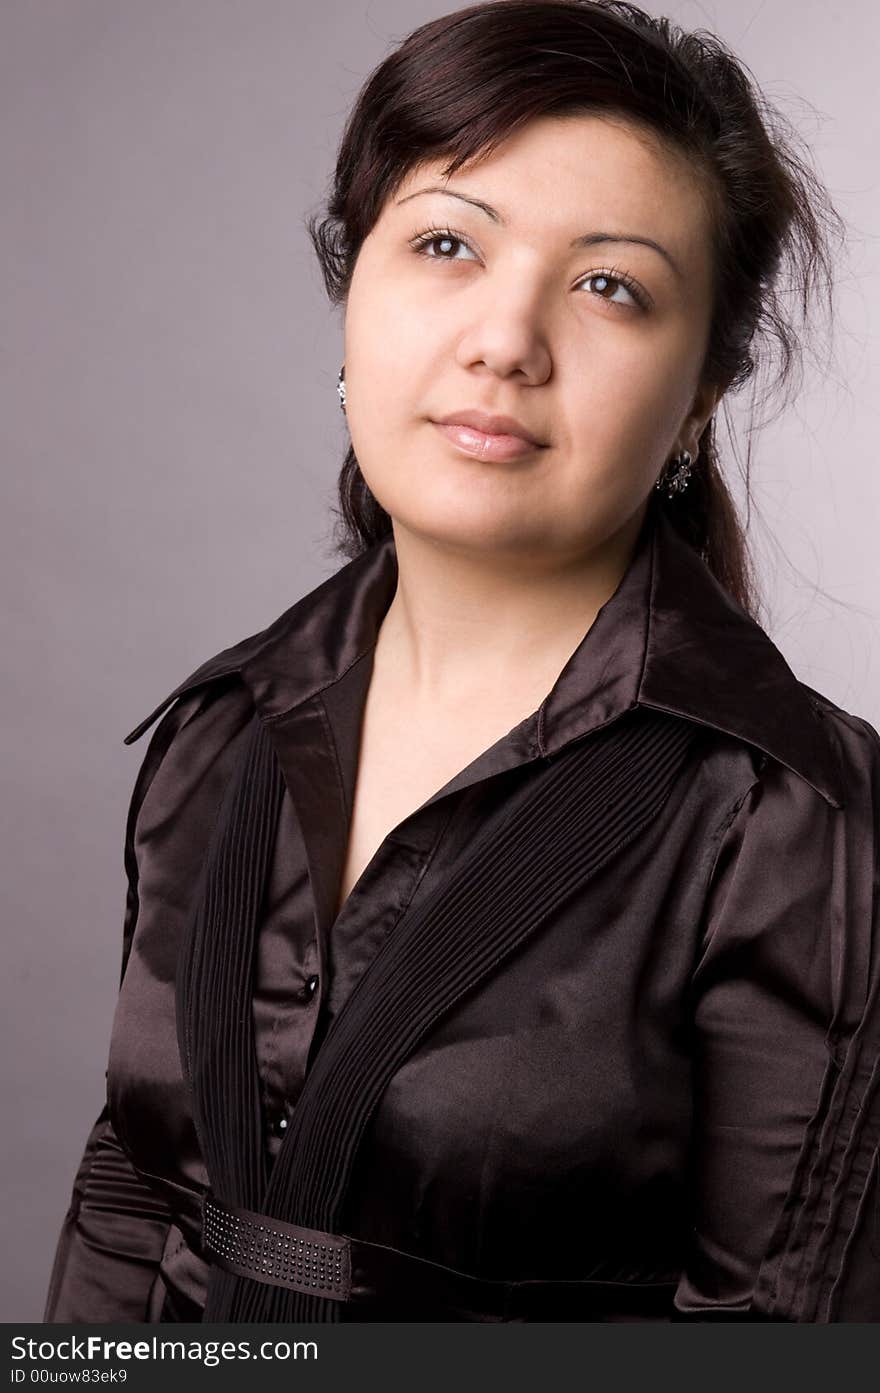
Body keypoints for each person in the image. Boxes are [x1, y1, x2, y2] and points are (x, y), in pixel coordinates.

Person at [44, 0, 880, 1323]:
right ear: (351, 294)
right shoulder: (221, 729)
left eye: (610, 285)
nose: (505, 341)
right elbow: (136, 1199)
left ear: (701, 396)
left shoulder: (800, 825)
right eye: (446, 245)